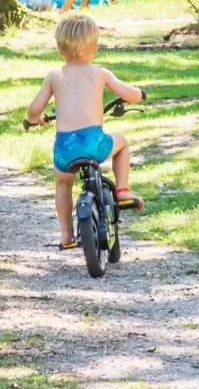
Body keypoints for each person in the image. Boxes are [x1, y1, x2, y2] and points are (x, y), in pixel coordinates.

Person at [23, 13, 146, 250]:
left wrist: (34, 119)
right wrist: (139, 94)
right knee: (122, 142)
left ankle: (66, 234)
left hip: (64, 148)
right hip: (94, 143)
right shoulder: (99, 73)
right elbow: (128, 94)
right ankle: (122, 189)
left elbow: (34, 109)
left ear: (60, 49)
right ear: (95, 49)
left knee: (62, 184)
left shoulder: (54, 76)